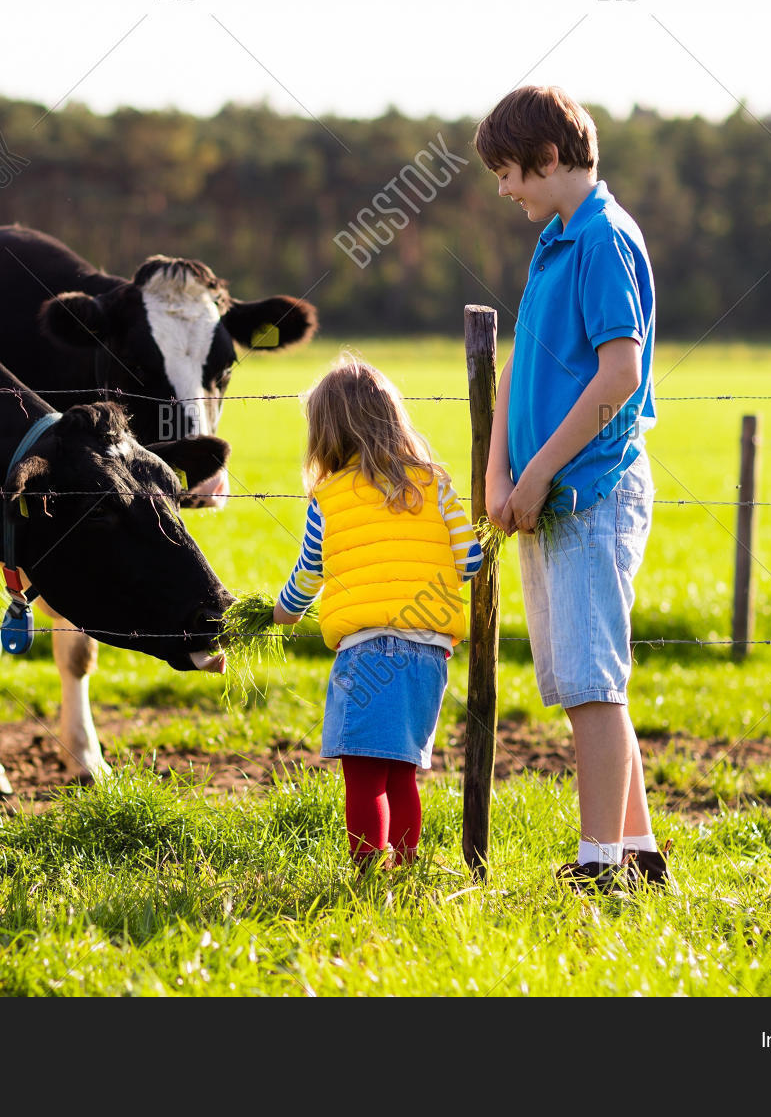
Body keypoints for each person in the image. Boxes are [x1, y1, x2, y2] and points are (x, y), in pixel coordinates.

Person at [475, 85, 672, 892]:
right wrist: (498, 471)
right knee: (582, 681)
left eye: (509, 172)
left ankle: (601, 867)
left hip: (591, 489)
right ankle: (641, 854)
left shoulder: (602, 239)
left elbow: (621, 373)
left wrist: (543, 469)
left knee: (593, 683)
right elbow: (522, 358)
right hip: (544, 492)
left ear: (550, 159)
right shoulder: (557, 238)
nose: (504, 189)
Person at [272, 354, 482, 869]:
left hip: (366, 651)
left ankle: (365, 871)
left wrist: (283, 612)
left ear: (326, 435)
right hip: (430, 652)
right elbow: (471, 559)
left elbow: (309, 573)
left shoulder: (329, 497)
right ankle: (405, 865)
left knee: (363, 775)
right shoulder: (435, 484)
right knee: (402, 771)